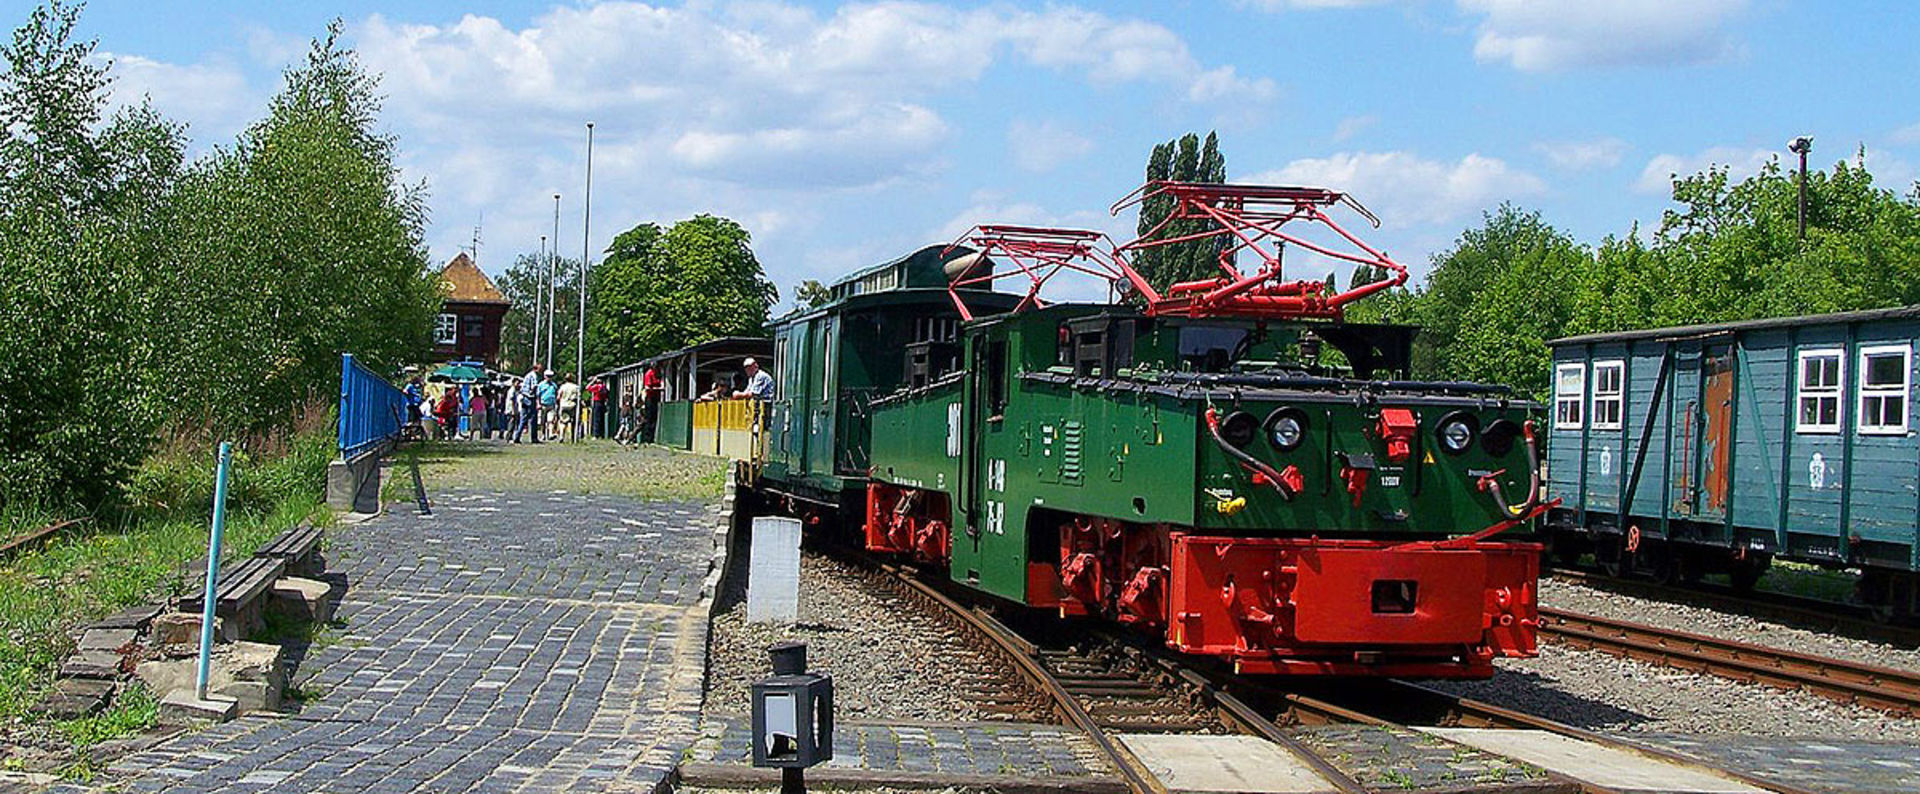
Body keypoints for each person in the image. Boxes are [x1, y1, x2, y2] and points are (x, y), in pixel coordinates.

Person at [515, 364, 544, 443]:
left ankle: (517, 437)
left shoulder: (527, 375)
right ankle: (534, 438)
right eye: (540, 369)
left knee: (523, 419)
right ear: (536, 369)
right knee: (533, 419)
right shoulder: (534, 376)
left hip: (524, 397)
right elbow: (534, 387)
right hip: (530, 398)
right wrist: (536, 397)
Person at [642, 365, 663, 444]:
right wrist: (659, 389)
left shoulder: (657, 374)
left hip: (655, 398)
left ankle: (652, 437)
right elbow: (647, 387)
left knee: (654, 418)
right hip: (650, 398)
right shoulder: (649, 374)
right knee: (649, 418)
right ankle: (647, 439)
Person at [557, 375, 581, 442]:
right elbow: (578, 397)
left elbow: (559, 396)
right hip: (572, 405)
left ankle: (561, 436)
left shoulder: (562, 386)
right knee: (574, 422)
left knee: (563, 422)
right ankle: (573, 437)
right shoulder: (576, 387)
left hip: (564, 405)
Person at [539, 373, 561, 441]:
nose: (549, 378)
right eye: (548, 376)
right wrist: (538, 403)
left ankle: (550, 434)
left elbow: (557, 393)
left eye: (550, 376)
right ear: (545, 376)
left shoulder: (554, 385)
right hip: (543, 404)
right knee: (543, 421)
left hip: (552, 404)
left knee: (550, 420)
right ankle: (543, 435)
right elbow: (538, 394)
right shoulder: (541, 384)